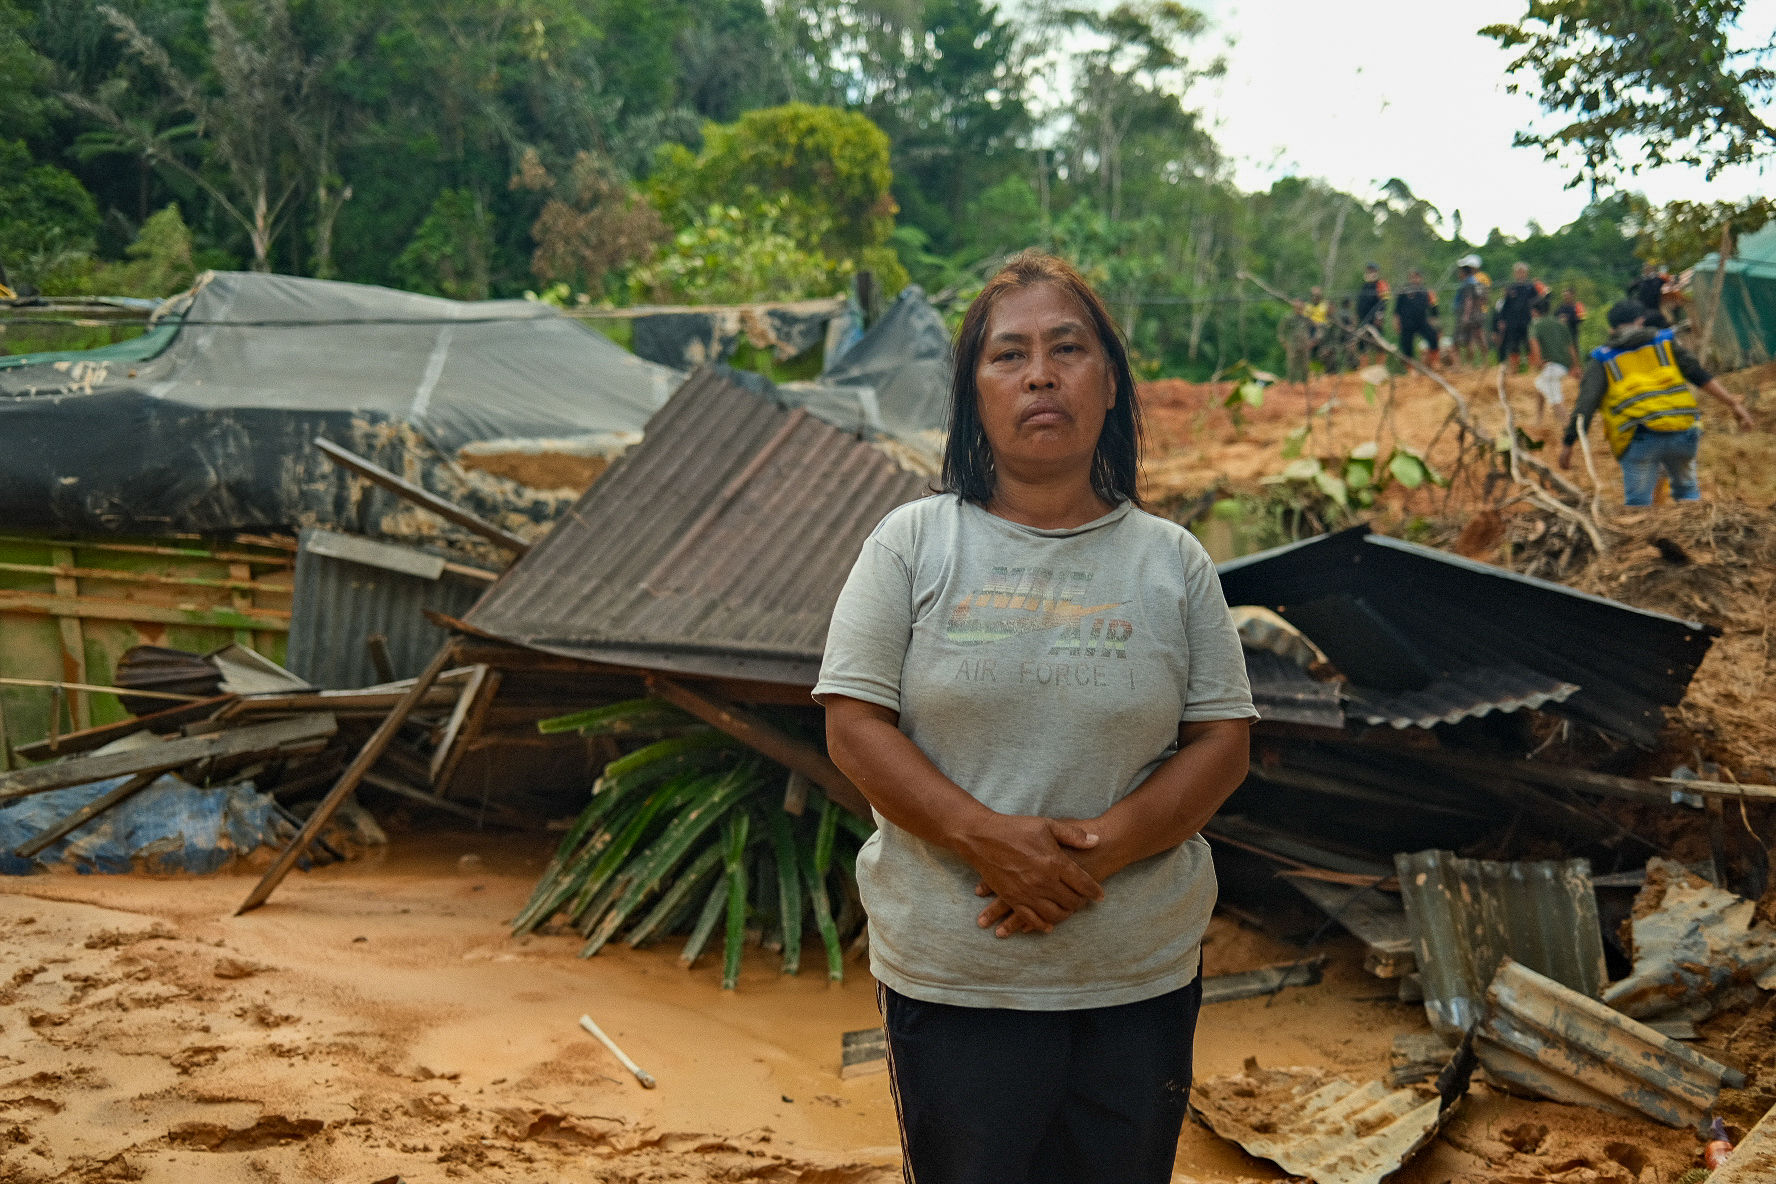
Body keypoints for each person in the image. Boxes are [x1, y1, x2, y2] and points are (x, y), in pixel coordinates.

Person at [817, 250, 1256, 1184]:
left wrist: (1107, 845)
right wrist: (985, 840)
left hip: (1134, 975)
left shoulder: (1172, 563)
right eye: (1008, 355)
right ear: (974, 393)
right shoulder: (912, 543)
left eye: (1067, 349)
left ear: (1109, 385)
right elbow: (853, 721)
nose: (1041, 375)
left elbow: (1222, 740)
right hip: (957, 977)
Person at [1559, 299, 1754, 505]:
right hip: (1683, 431)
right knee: (1687, 491)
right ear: (1641, 320)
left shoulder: (1601, 358)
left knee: (1638, 502)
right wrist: (1734, 404)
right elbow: (1700, 376)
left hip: (1638, 435)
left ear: (1612, 328)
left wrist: (1569, 443)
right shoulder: (1665, 342)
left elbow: (1586, 403)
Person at [1528, 296, 1578, 425]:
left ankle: (1568, 429)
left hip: (1551, 367)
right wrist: (1576, 366)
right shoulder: (1560, 323)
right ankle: (1538, 421)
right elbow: (1571, 346)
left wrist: (1539, 363)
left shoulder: (1536, 325)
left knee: (1556, 401)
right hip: (1564, 367)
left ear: (1534, 311)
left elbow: (1535, 344)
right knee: (1539, 386)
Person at [1494, 262, 1539, 371]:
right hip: (1512, 323)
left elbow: (1538, 303)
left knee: (1529, 344)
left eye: (1522, 272)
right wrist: (1501, 320)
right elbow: (1505, 306)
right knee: (1514, 346)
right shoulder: (1510, 288)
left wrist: (1536, 314)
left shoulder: (1531, 288)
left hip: (1527, 321)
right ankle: (1514, 369)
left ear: (1526, 273)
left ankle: (1532, 369)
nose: (1520, 274)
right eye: (1518, 272)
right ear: (1515, 274)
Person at [1394, 268, 1440, 363]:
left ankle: (1435, 362)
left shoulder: (1426, 292)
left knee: (1433, 337)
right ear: (1409, 279)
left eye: (1417, 277)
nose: (1415, 279)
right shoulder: (1403, 292)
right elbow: (1397, 310)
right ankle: (1410, 368)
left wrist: (1433, 319)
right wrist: (1396, 322)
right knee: (1407, 345)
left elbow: (1434, 307)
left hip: (1421, 321)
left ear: (1420, 278)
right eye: (1412, 277)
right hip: (1406, 323)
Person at [1453, 254, 1492, 366]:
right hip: (1479, 312)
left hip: (1471, 314)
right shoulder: (1479, 281)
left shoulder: (1470, 282)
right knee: (1478, 336)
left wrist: (1466, 315)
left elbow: (1469, 300)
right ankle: (1484, 361)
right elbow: (1484, 297)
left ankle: (1467, 364)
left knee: (1468, 339)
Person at [1277, 298, 1316, 386]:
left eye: (1301, 307)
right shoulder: (1288, 318)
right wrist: (1284, 343)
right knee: (1292, 366)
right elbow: (1281, 332)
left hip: (1304, 346)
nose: (1299, 309)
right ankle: (1291, 385)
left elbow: (1316, 328)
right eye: (1297, 307)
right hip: (1292, 346)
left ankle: (1304, 384)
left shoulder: (1306, 319)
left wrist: (1313, 341)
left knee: (1305, 366)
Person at [1355, 263, 1389, 363]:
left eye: (1372, 271)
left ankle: (1380, 364)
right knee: (1362, 341)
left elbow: (1384, 301)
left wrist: (1379, 316)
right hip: (1364, 319)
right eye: (1369, 271)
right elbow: (1360, 303)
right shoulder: (1365, 286)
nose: (1370, 273)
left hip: (1375, 319)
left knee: (1378, 341)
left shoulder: (1381, 284)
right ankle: (1363, 364)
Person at [1628, 262, 1672, 328]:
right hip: (1644, 308)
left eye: (1648, 268)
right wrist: (1634, 300)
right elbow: (1629, 290)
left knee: (1664, 322)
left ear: (1652, 269)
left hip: (1658, 306)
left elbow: (1670, 284)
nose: (1647, 270)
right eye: (1645, 268)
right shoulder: (1639, 280)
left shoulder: (1659, 279)